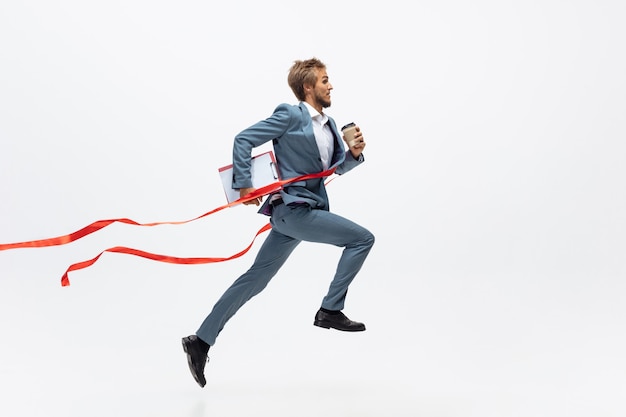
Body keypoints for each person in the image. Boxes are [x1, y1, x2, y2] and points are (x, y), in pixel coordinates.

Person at [182, 58, 375, 387]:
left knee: (255, 280)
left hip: (299, 213)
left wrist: (353, 154)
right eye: (324, 80)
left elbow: (332, 170)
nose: (330, 85)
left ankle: (200, 340)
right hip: (294, 210)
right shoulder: (290, 114)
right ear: (308, 87)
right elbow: (243, 139)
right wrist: (244, 183)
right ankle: (329, 309)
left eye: (330, 80)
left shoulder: (329, 125)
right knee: (361, 239)